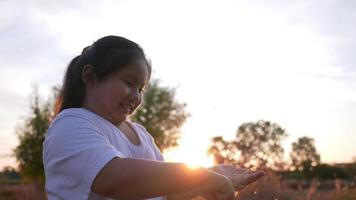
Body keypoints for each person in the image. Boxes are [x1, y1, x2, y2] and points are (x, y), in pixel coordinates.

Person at [42, 35, 264, 200]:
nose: (136, 96)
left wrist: (211, 177)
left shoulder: (141, 134)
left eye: (141, 89)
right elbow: (115, 180)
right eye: (129, 83)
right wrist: (200, 177)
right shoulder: (70, 123)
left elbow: (165, 193)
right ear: (90, 76)